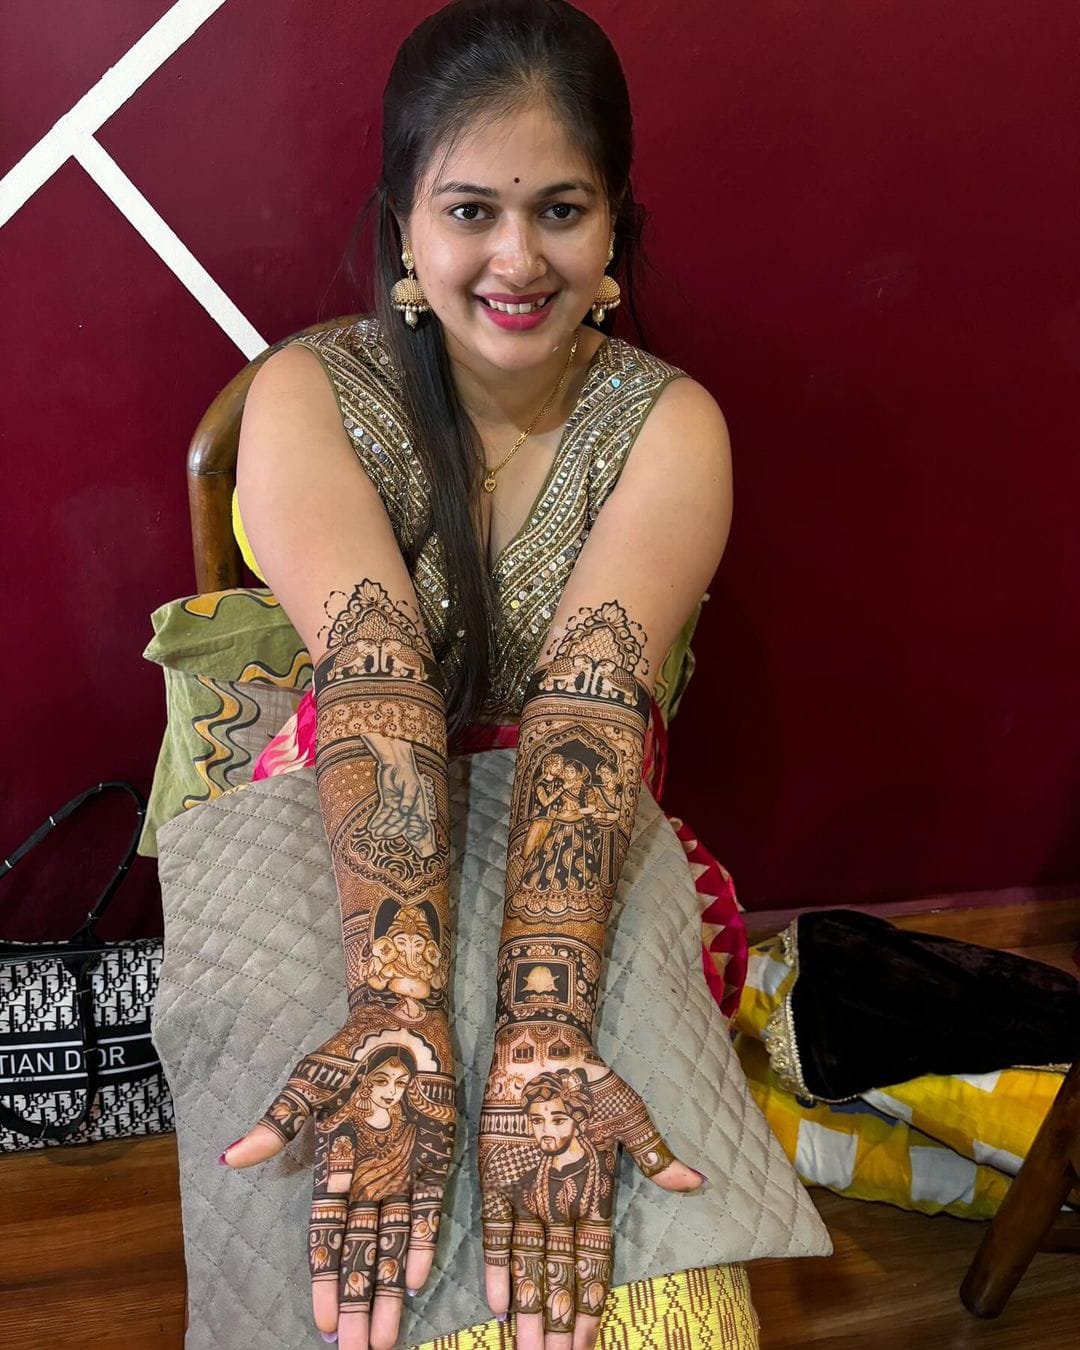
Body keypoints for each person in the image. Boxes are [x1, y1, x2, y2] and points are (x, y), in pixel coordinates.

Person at [223, 1, 733, 1347]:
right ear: (404, 224)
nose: (518, 259)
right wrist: (400, 1017)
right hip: (351, 797)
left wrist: (541, 1035)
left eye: (560, 210)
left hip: (578, 817)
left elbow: (587, 709)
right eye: (470, 212)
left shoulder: (670, 427)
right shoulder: (309, 394)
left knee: (641, 1217)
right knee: (322, 1138)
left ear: (614, 225)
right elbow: (377, 671)